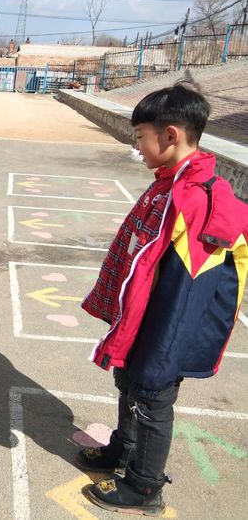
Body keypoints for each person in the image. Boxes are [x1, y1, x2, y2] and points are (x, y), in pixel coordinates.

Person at [77, 83, 248, 515]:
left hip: (166, 325)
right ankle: (124, 449)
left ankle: (145, 486)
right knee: (129, 383)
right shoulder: (171, 183)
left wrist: (161, 352)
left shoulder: (196, 201)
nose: (137, 147)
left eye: (140, 137)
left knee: (151, 394)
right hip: (146, 316)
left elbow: (189, 292)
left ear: (170, 136)